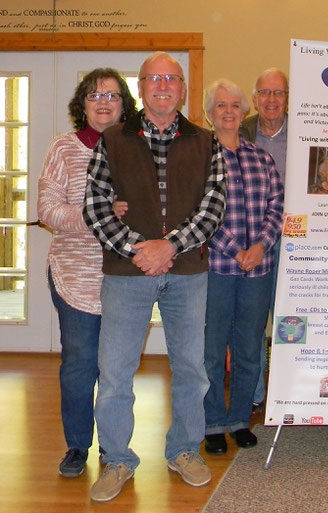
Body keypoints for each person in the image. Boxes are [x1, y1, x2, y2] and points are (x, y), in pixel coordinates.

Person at [83, 51, 226, 502]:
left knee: (191, 369)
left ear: (183, 89)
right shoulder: (113, 139)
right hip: (127, 274)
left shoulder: (207, 142)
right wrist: (137, 249)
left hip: (188, 273)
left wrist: (171, 246)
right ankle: (116, 459)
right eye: (153, 79)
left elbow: (214, 205)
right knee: (115, 374)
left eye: (172, 79)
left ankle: (184, 450)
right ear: (140, 88)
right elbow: (95, 205)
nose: (163, 86)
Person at [37, 68, 136, 478]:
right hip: (75, 278)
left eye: (112, 96)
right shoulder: (64, 148)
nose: (103, 102)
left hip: (127, 278)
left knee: (117, 370)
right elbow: (47, 211)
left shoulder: (140, 147)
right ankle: (77, 445)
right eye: (95, 95)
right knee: (80, 365)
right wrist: (96, 216)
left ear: (124, 105)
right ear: (83, 103)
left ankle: (115, 451)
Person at [202, 79, 283, 455]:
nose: (229, 111)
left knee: (250, 347)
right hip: (217, 268)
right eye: (221, 106)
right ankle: (213, 422)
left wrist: (261, 245)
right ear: (210, 113)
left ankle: (239, 420)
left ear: (243, 111)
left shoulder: (260, 158)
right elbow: (197, 213)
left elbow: (276, 207)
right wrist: (238, 251)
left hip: (258, 271)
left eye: (235, 105)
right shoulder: (200, 157)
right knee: (213, 350)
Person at [240, 68, 288, 411]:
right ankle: (255, 395)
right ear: (255, 98)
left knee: (289, 320)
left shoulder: (306, 133)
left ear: (288, 98)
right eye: (265, 93)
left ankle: (287, 390)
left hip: (296, 244)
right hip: (252, 242)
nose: (271, 100)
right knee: (253, 321)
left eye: (279, 93)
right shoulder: (239, 132)